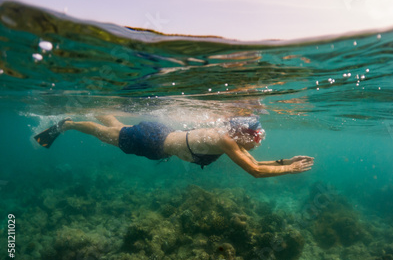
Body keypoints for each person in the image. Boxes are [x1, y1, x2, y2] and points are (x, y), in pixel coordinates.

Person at [34, 115, 314, 178]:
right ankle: (68, 123)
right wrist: (289, 169)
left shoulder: (228, 140)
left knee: (116, 129)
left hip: (159, 135)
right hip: (152, 142)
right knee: (103, 134)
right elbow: (254, 171)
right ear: (240, 133)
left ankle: (97, 109)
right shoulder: (226, 141)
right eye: (255, 136)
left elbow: (254, 163)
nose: (258, 141)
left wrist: (284, 161)